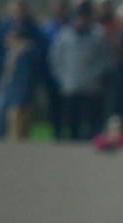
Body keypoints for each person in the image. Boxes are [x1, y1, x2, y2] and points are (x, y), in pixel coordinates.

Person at [48, 0, 109, 140]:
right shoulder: (64, 36)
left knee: (90, 126)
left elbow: (105, 61)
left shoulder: (97, 36)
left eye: (84, 16)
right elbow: (55, 60)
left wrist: (93, 75)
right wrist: (63, 79)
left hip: (90, 90)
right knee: (71, 125)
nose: (81, 20)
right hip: (70, 88)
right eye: (78, 16)